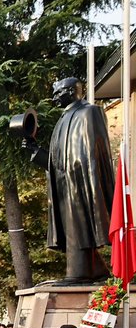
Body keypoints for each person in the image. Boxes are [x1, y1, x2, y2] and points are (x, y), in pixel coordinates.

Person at [20, 76, 114, 281]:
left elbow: (95, 154)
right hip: (63, 186)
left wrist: (89, 182)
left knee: (79, 227)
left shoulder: (89, 112)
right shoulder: (62, 120)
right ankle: (95, 270)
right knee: (71, 230)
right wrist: (36, 151)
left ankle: (80, 273)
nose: (54, 98)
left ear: (72, 91)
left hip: (82, 183)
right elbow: (57, 164)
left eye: (58, 93)